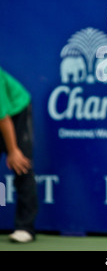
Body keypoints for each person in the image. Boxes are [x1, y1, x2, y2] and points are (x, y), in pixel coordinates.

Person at [0, 66, 38, 243]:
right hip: (4, 116)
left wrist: (13, 150)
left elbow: (3, 117)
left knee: (21, 165)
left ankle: (25, 227)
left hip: (15, 113)